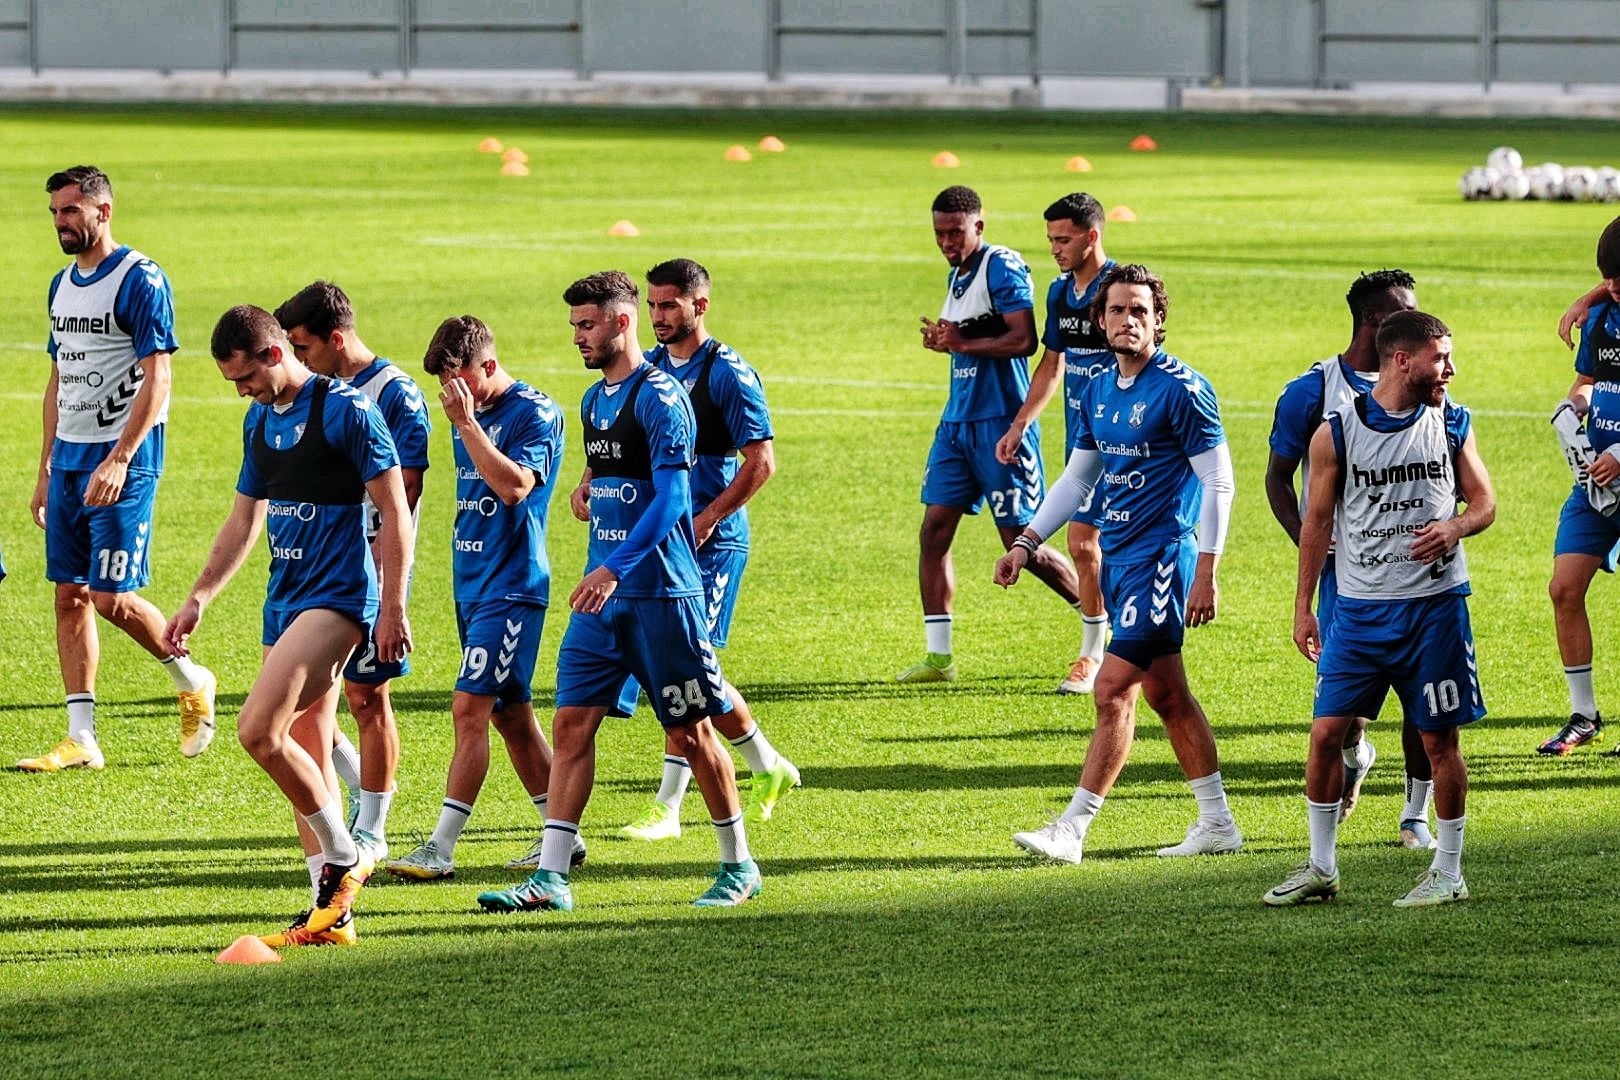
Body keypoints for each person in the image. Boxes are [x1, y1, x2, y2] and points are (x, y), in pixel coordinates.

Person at [476, 271, 760, 913]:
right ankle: (551, 877)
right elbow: (615, 478)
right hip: (602, 603)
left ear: (621, 322)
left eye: (587, 324)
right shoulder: (593, 401)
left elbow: (674, 501)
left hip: (661, 597)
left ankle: (738, 866)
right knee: (572, 722)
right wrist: (588, 490)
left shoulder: (661, 398)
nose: (578, 336)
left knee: (690, 732)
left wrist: (615, 568)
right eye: (574, 325)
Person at [164, 305, 413, 947]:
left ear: (276, 354)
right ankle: (331, 915)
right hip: (285, 595)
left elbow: (394, 511)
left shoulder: (347, 411)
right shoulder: (259, 419)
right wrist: (199, 597)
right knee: (308, 733)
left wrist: (393, 607)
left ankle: (345, 855)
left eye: (244, 377)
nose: (240, 391)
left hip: (338, 598)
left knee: (257, 730)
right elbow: (243, 518)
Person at [995, 264, 1241, 864]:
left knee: (1111, 689)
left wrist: (1206, 570)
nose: (1127, 321)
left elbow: (1219, 481)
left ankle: (1073, 828)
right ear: (1100, 321)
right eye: (1116, 311)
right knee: (1167, 695)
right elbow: (1080, 477)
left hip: (1163, 557)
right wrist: (1027, 541)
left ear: (1159, 320)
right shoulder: (1097, 388)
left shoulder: (1182, 388)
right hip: (1120, 556)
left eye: (1139, 311)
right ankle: (1217, 822)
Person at [1264, 310, 1494, 909]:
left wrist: (1457, 527)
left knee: (1440, 742)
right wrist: (1304, 607)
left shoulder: (1452, 422)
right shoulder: (1336, 432)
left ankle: (1448, 870)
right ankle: (1321, 866)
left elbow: (1486, 502)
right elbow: (1315, 522)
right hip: (1361, 613)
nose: (1450, 368)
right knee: (1325, 735)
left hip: (1433, 609)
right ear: (1401, 359)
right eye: (1440, 357)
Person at [585, 258, 798, 841]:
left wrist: (708, 516)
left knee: (684, 671)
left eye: (669, 305)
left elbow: (762, 462)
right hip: (660, 544)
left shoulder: (728, 374)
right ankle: (765, 764)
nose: (658, 316)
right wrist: (589, 481)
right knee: (686, 670)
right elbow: (619, 436)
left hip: (712, 542)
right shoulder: (648, 370)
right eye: (652, 305)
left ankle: (670, 807)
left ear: (699, 307)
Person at [20, 165, 216, 773]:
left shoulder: (139, 279)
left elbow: (159, 375)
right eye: (54, 212)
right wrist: (46, 467)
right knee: (69, 595)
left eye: (71, 211)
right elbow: (60, 378)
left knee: (109, 596)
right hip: (71, 459)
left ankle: (192, 679)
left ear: (103, 211)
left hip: (122, 458)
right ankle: (82, 737)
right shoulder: (60, 285)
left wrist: (120, 457)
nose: (61, 222)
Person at [385, 316, 586, 880]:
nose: (450, 397)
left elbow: (516, 487)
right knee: (512, 716)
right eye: (444, 386)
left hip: (512, 587)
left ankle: (441, 849)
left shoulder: (535, 413)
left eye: (458, 381)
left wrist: (469, 426)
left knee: (468, 707)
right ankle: (562, 839)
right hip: (470, 583)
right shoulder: (463, 411)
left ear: (488, 367)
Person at [1265, 269, 1440, 850]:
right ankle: (1357, 757)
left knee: (1423, 707)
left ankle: (1415, 815)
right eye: (1404, 312)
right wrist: (1311, 546)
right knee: (1344, 717)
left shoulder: (1429, 384)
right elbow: (1277, 478)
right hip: (1347, 582)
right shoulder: (1313, 392)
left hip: (1417, 576)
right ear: (1374, 322)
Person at [901, 185, 1083, 683]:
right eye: (939, 233)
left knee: (1022, 540)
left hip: (1000, 423)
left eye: (955, 232)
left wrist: (962, 340)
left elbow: (1024, 339)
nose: (946, 242)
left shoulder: (1000, 264)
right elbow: (971, 342)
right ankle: (940, 659)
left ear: (978, 226)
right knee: (934, 531)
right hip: (957, 424)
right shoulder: (957, 274)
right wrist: (947, 343)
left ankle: (1099, 617)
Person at [274, 281, 431, 861]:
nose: (298, 357)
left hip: (372, 565)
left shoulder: (394, 394)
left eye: (304, 346)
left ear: (336, 339)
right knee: (314, 700)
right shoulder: (315, 392)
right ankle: (342, 818)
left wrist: (390, 595)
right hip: (319, 567)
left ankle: (372, 828)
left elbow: (403, 495)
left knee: (367, 696)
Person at [995, 193, 1115, 695]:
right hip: (1083, 442)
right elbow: (1051, 362)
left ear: (1092, 236)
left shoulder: (1122, 290)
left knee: (1115, 549)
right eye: (1050, 240)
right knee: (1083, 544)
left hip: (1128, 439)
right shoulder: (1059, 293)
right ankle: (1094, 653)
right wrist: (1021, 422)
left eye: (1063, 239)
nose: (1055, 249)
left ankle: (1118, 645)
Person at [1540, 218, 1620, 755]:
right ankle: (1584, 715)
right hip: (1596, 484)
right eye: (1608, 279)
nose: (1614, 288)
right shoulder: (1602, 319)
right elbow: (1588, 381)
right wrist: (1577, 406)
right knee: (1564, 589)